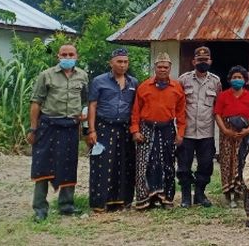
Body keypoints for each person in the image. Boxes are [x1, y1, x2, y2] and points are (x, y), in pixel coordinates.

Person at [28, 44, 89, 221]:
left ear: (77, 56)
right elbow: (36, 102)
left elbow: (85, 101)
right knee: (42, 165)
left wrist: (84, 124)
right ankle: (40, 208)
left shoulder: (83, 76)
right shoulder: (46, 75)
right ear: (58, 56)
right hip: (48, 126)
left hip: (70, 127)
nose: (67, 57)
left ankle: (67, 205)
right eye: (64, 54)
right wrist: (33, 128)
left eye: (71, 54)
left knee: (69, 164)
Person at [130, 52, 186, 209]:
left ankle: (166, 198)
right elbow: (135, 111)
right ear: (155, 68)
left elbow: (181, 113)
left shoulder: (177, 88)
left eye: (165, 67)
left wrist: (180, 133)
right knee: (144, 164)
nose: (162, 69)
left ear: (170, 68)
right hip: (147, 128)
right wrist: (135, 130)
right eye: (159, 67)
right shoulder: (144, 86)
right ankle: (145, 199)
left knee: (167, 164)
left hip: (167, 129)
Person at [87, 48, 138, 213]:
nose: (123, 65)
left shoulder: (133, 83)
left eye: (125, 62)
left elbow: (135, 108)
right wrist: (91, 130)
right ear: (111, 63)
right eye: (119, 61)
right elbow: (92, 106)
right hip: (104, 128)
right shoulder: (99, 81)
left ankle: (122, 201)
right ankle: (100, 203)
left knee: (124, 164)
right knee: (102, 164)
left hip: (124, 129)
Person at [176, 46, 222, 208]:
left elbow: (218, 107)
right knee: (183, 165)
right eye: (199, 60)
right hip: (187, 132)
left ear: (210, 61)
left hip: (206, 132)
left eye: (205, 60)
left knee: (206, 165)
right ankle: (186, 196)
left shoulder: (216, 81)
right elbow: (178, 105)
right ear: (193, 61)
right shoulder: (183, 80)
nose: (202, 62)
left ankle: (200, 194)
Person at [214, 65, 249, 208]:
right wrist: (225, 130)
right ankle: (227, 194)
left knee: (242, 161)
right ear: (229, 79)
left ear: (245, 80)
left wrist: (248, 130)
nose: (237, 80)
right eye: (234, 77)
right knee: (227, 161)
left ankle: (239, 192)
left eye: (240, 77)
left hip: (244, 132)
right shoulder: (223, 95)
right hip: (227, 133)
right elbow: (217, 115)